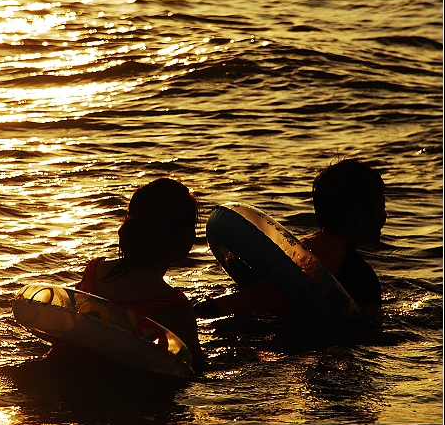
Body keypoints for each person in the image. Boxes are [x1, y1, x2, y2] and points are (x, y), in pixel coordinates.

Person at [195, 159, 386, 325]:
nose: (385, 216)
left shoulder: (295, 251)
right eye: (382, 208)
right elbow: (368, 331)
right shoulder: (361, 276)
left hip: (214, 311)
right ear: (361, 216)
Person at [52, 178, 204, 371]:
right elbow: (194, 370)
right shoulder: (175, 307)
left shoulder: (95, 271)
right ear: (184, 237)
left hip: (66, 373)